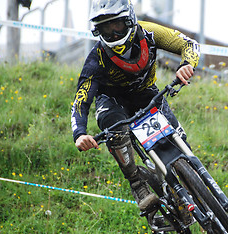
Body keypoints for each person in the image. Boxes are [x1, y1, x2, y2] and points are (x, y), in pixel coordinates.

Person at [71, 0, 200, 211]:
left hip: (146, 94)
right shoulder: (96, 58)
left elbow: (189, 44)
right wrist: (79, 134)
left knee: (182, 147)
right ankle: (137, 184)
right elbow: (80, 100)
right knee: (115, 129)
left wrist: (187, 65)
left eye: (117, 26)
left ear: (129, 20)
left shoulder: (149, 32)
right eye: (106, 28)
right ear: (97, 30)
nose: (113, 34)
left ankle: (212, 210)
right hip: (112, 102)